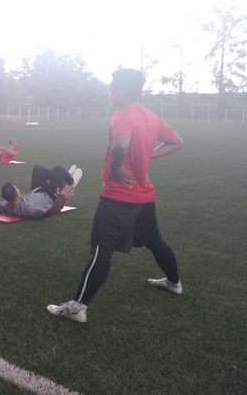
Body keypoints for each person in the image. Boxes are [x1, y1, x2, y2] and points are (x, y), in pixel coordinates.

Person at [47, 68, 184, 324]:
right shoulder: (151, 116)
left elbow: (121, 144)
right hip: (144, 195)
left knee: (102, 250)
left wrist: (117, 168)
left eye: (112, 87)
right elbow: (177, 141)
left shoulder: (122, 116)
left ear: (122, 90)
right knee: (155, 240)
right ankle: (174, 282)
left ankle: (77, 308)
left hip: (118, 198)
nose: (110, 91)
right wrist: (146, 155)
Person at [0, 164, 80, 219]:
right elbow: (47, 213)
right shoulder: (27, 209)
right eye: (16, 188)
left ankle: (61, 177)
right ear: (17, 193)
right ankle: (70, 181)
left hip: (38, 191)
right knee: (58, 169)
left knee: (38, 168)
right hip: (52, 195)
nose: (18, 188)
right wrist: (60, 200)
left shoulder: (4, 206)